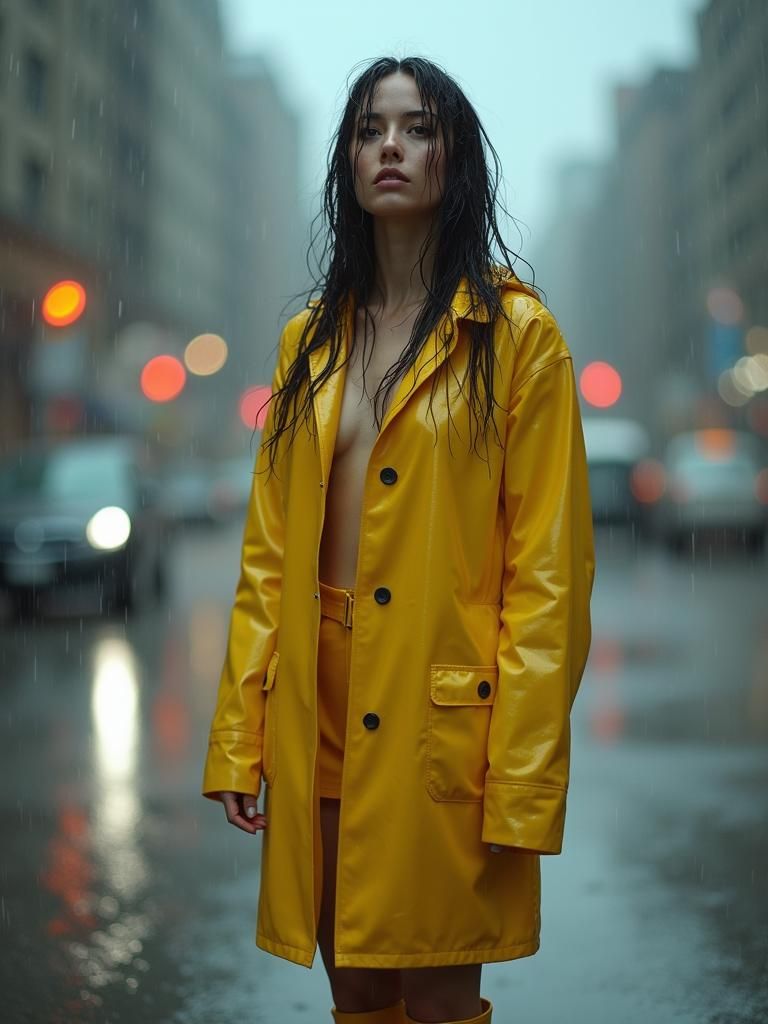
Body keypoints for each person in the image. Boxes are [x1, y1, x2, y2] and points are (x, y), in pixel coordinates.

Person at [202, 55, 596, 1024]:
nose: (391, 145)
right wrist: (239, 736)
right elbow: (269, 556)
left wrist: (523, 778)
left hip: (443, 718)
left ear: (453, 157)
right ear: (347, 158)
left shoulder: (517, 338)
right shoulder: (310, 341)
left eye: (418, 127)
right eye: (372, 127)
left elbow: (546, 574)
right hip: (320, 710)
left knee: (441, 989)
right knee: (359, 991)